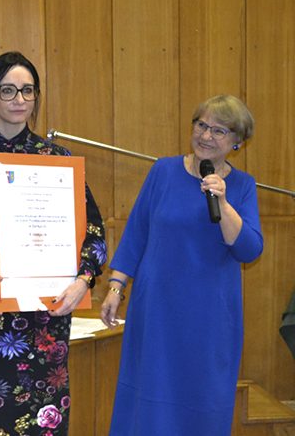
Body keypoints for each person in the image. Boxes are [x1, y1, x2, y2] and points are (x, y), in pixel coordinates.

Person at [0, 51, 107, 436]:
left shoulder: (57, 159)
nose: (19, 100)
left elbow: (94, 233)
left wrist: (84, 280)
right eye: (8, 90)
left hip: (45, 321)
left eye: (28, 91)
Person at [100, 94, 263, 435]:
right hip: (156, 311)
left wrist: (223, 203)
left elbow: (248, 250)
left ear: (237, 142)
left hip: (209, 319)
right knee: (148, 396)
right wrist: (116, 286)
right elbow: (137, 231)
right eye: (201, 125)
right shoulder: (163, 170)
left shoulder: (243, 186)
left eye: (219, 131)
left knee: (202, 401)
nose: (206, 136)